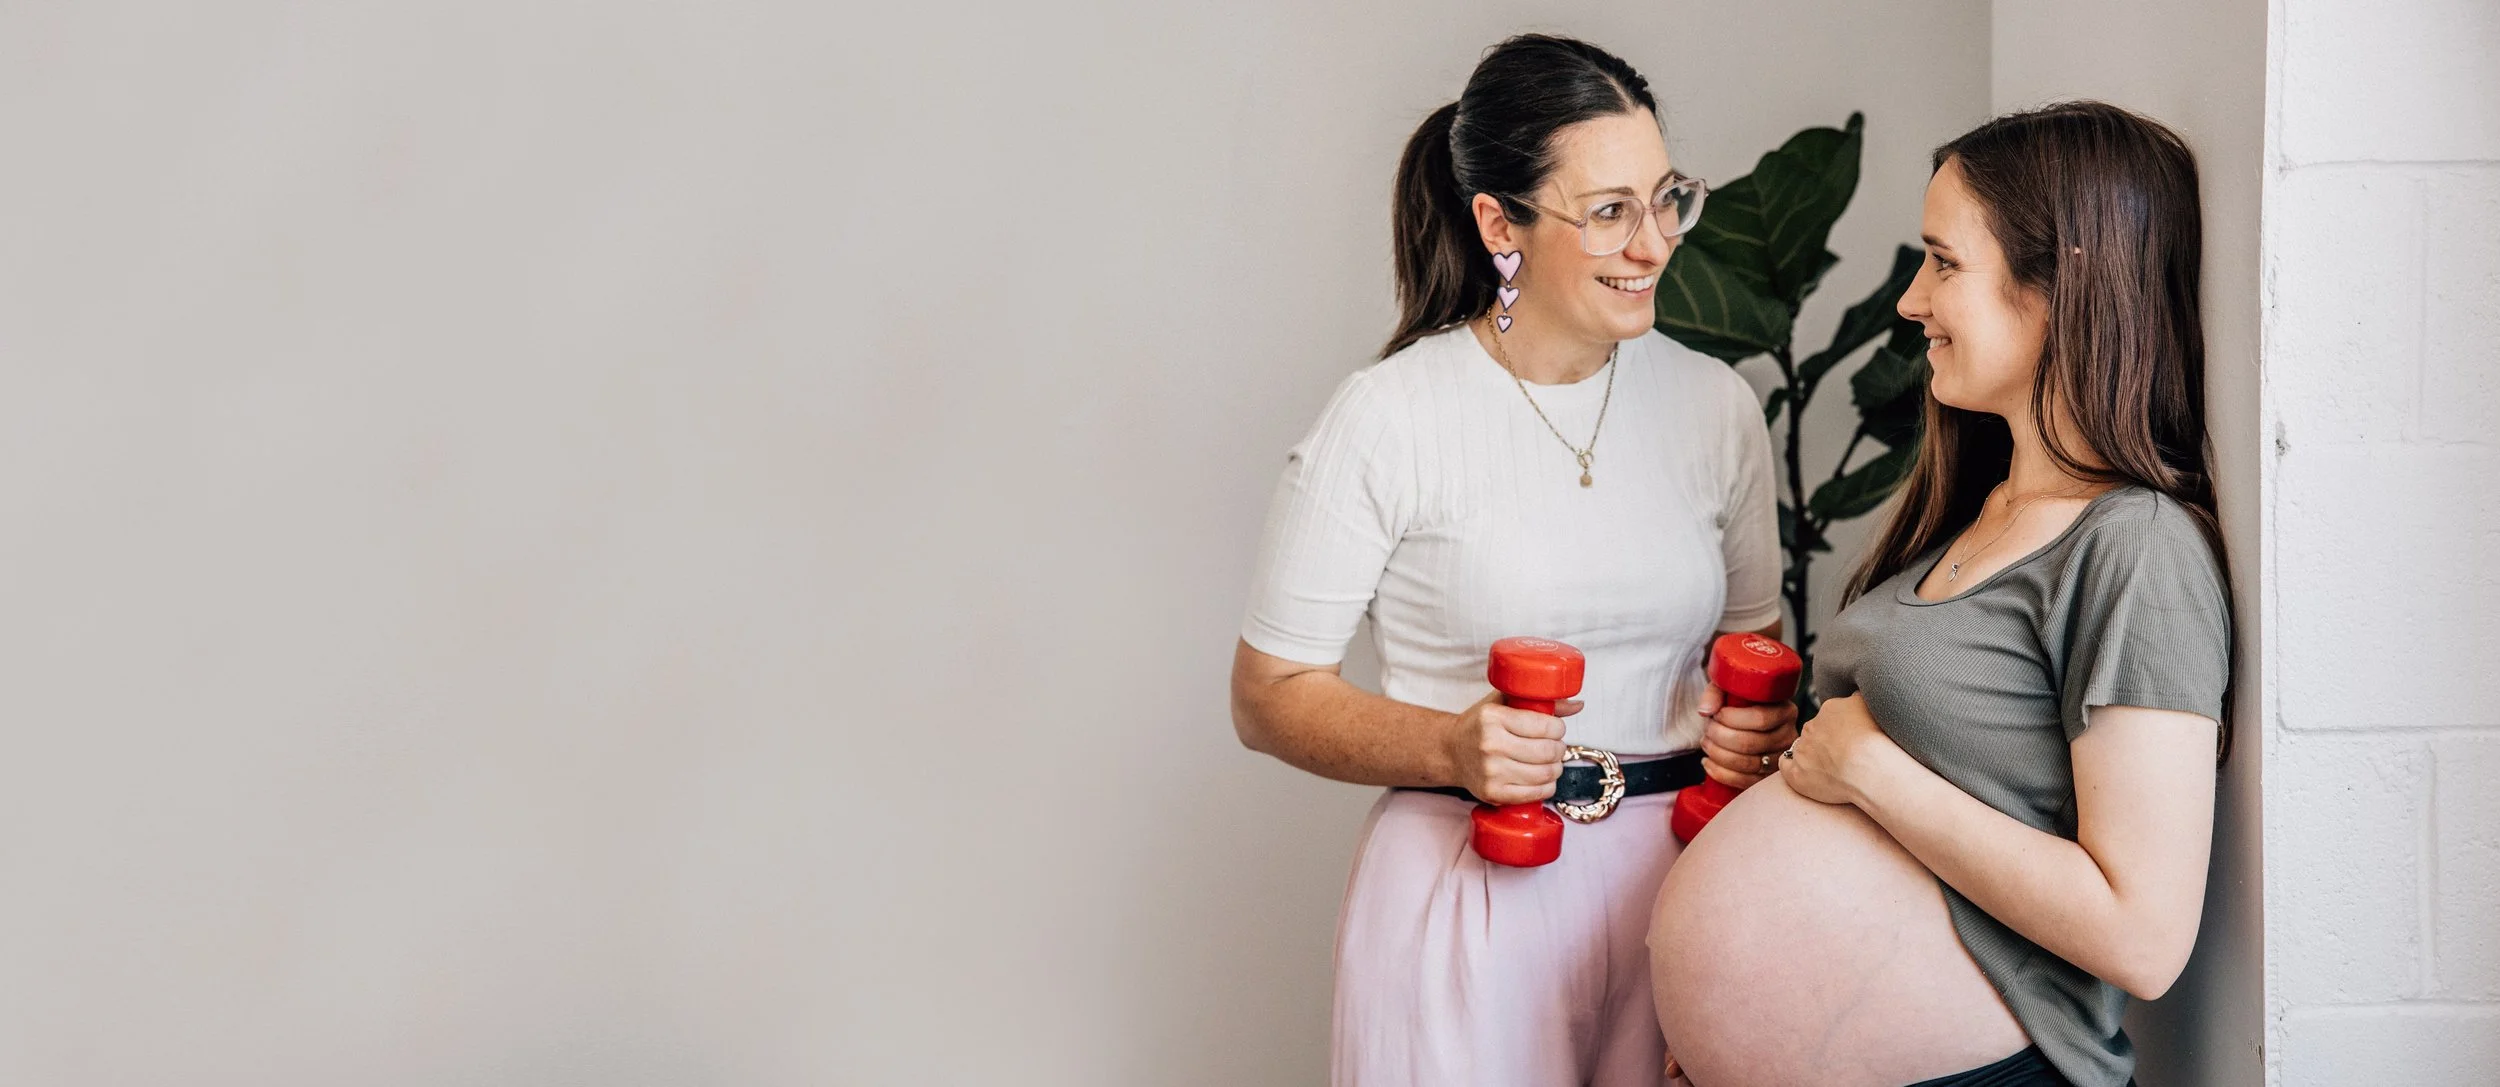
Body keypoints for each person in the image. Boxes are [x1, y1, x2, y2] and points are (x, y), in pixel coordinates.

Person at [1228, 33, 1798, 1087]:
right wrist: (1451, 745)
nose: (1654, 242)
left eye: (1666, 197)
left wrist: (1759, 722)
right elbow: (1268, 695)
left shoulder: (1716, 407)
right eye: (1608, 211)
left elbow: (1749, 644)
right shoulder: (1392, 416)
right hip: (1467, 891)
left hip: (1681, 896)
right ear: (1500, 223)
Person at [1647, 101, 2232, 1087]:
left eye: (1943, 263)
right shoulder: (1974, 510)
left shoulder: (2138, 549)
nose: (1912, 301)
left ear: (2060, 287)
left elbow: (2143, 934)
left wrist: (1868, 771)